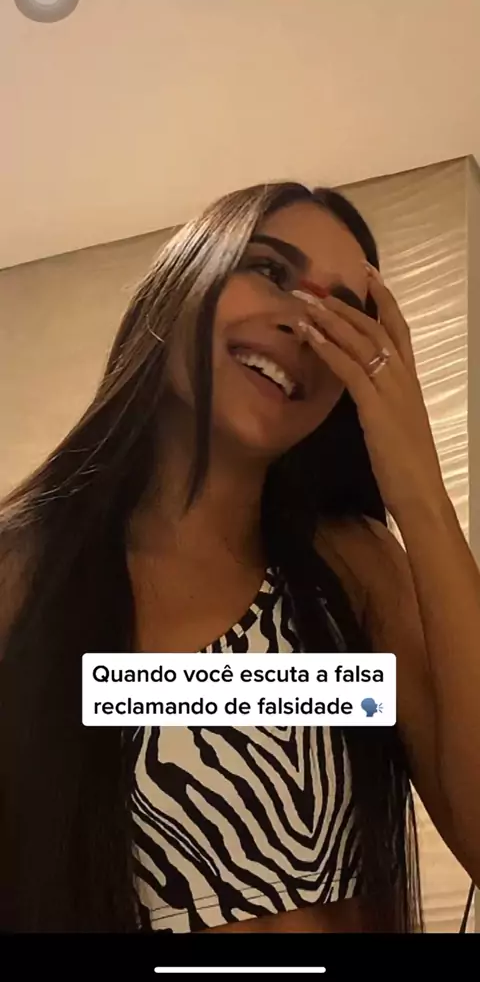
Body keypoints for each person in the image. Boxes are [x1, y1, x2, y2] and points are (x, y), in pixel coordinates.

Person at [1, 182, 479, 935]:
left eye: (344, 310)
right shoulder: (23, 572)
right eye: (270, 269)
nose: (305, 322)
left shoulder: (347, 566)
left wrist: (420, 494)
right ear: (180, 286)